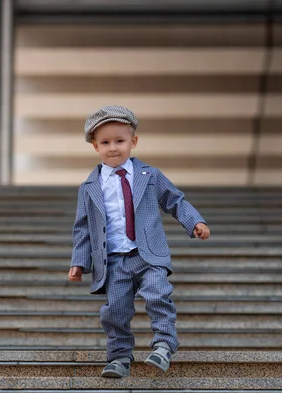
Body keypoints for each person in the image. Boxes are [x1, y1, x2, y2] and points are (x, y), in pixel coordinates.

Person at [68, 105, 210, 378]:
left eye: (120, 141)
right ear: (95, 146)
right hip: (113, 261)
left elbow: (175, 200)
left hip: (148, 254)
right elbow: (83, 228)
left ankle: (164, 344)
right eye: (106, 142)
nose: (113, 148)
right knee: (115, 311)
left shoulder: (150, 175)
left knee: (158, 295)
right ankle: (120, 357)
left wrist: (195, 222)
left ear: (133, 142)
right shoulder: (89, 187)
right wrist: (78, 261)